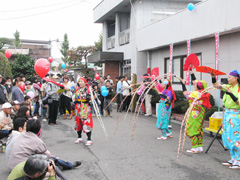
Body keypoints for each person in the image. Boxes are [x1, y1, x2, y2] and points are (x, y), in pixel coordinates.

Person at [211, 70, 240, 169]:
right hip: (227, 114)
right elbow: (216, 85)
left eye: (230, 77)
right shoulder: (228, 87)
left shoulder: (238, 89)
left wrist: (230, 93)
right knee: (227, 136)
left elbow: (238, 103)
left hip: (235, 115)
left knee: (235, 137)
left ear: (236, 78)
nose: (228, 79)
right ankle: (233, 158)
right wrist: (213, 77)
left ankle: (238, 159)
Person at [180, 71, 211, 153]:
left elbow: (186, 94)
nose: (194, 86)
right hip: (200, 115)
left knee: (191, 129)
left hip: (194, 115)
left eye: (195, 85)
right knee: (199, 129)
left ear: (197, 87)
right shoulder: (204, 93)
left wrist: (183, 84)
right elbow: (196, 82)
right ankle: (199, 146)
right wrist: (192, 73)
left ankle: (194, 147)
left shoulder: (195, 93)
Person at [71, 77, 93, 146]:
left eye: (81, 81)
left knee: (86, 122)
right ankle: (79, 137)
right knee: (78, 122)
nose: (80, 83)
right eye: (79, 81)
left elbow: (93, 98)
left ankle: (89, 139)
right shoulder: (77, 89)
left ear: (85, 82)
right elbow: (73, 97)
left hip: (85, 107)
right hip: (78, 107)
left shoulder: (88, 89)